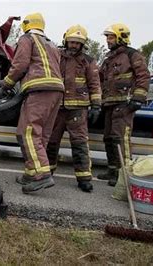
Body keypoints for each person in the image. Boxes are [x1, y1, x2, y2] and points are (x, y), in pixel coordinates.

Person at [0, 13, 64, 194]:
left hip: (39, 89)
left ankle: (42, 175)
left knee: (27, 132)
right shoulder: (51, 43)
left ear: (26, 25)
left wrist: (7, 83)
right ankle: (31, 172)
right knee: (41, 134)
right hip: (56, 90)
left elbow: (20, 64)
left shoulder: (27, 38)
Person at [45, 25, 101, 193]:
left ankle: (84, 178)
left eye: (78, 43)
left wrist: (96, 105)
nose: (74, 45)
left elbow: (94, 83)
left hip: (78, 109)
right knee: (51, 142)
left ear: (82, 44)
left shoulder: (88, 60)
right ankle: (47, 173)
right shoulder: (56, 55)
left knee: (79, 143)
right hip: (58, 107)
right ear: (66, 40)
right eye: (72, 41)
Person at [98, 23, 150, 186]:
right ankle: (113, 170)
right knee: (108, 138)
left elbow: (143, 76)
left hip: (125, 103)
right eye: (107, 37)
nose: (108, 40)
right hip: (109, 104)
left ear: (121, 37)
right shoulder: (108, 59)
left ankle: (124, 175)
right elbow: (99, 79)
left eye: (111, 37)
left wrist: (138, 97)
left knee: (121, 138)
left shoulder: (132, 55)